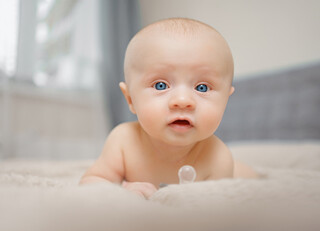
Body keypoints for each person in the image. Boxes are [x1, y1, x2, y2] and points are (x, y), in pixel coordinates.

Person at [80, 18, 258, 199]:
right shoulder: (123, 141)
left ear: (225, 101)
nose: (182, 101)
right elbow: (93, 181)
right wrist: (122, 193)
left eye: (202, 87)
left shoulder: (218, 159)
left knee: (249, 175)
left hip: (237, 172)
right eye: (160, 85)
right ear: (130, 99)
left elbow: (213, 213)